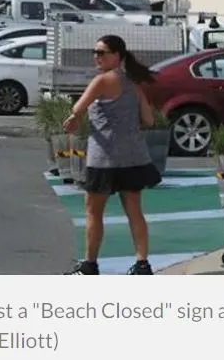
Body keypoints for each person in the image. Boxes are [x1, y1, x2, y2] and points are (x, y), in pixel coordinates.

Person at [63, 35, 161, 275]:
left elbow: (78, 108)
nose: (96, 57)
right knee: (134, 210)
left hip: (104, 156)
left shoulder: (101, 81)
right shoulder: (133, 84)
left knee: (93, 211)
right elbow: (149, 120)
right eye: (95, 52)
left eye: (102, 52)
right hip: (133, 156)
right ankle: (142, 264)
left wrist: (75, 118)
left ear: (117, 56)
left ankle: (90, 264)